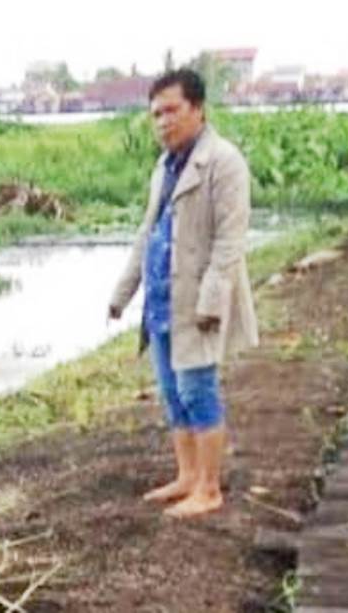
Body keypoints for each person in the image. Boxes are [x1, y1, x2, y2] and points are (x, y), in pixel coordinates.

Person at [107, 68, 258, 518]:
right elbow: (147, 233)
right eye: (155, 114)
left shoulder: (224, 162)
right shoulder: (163, 167)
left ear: (198, 109)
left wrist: (212, 303)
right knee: (172, 393)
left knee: (198, 390)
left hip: (198, 300)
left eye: (172, 110)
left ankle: (210, 488)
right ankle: (187, 476)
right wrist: (122, 294)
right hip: (161, 299)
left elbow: (230, 242)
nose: (163, 122)